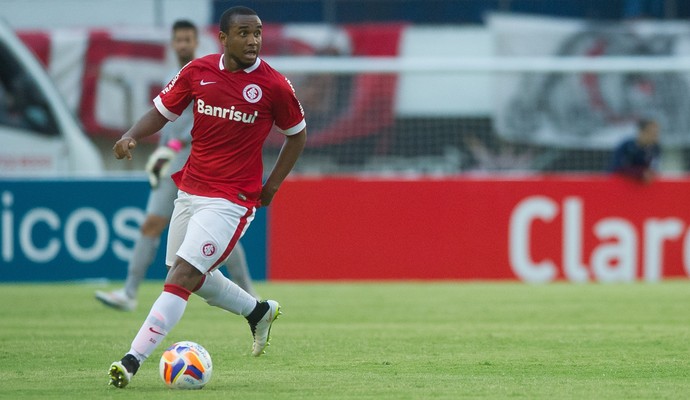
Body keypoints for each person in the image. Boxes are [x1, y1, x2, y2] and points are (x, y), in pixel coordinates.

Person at [107, 6, 307, 388]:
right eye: (244, 34)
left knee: (181, 276)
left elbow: (297, 134)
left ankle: (131, 360)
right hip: (191, 188)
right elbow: (162, 111)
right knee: (190, 277)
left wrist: (273, 185)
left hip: (232, 199)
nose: (253, 41)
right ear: (224, 38)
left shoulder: (274, 85)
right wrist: (131, 135)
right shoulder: (197, 72)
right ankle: (257, 311)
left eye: (258, 33)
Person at [95, 20, 258, 312]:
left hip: (196, 159)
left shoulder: (208, 74)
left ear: (196, 42)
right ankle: (129, 292)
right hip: (170, 158)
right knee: (153, 223)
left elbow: (202, 125)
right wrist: (159, 154)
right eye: (178, 40)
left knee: (217, 232)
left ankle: (250, 296)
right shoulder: (178, 74)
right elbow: (164, 119)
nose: (183, 45)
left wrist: (167, 150)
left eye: (188, 40)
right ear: (172, 44)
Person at [609, 118, 661, 184]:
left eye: (657, 133)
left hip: (642, 188)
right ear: (641, 132)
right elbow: (617, 168)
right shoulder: (626, 146)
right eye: (651, 132)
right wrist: (640, 173)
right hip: (621, 185)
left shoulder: (655, 149)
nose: (655, 136)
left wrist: (650, 174)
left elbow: (654, 168)